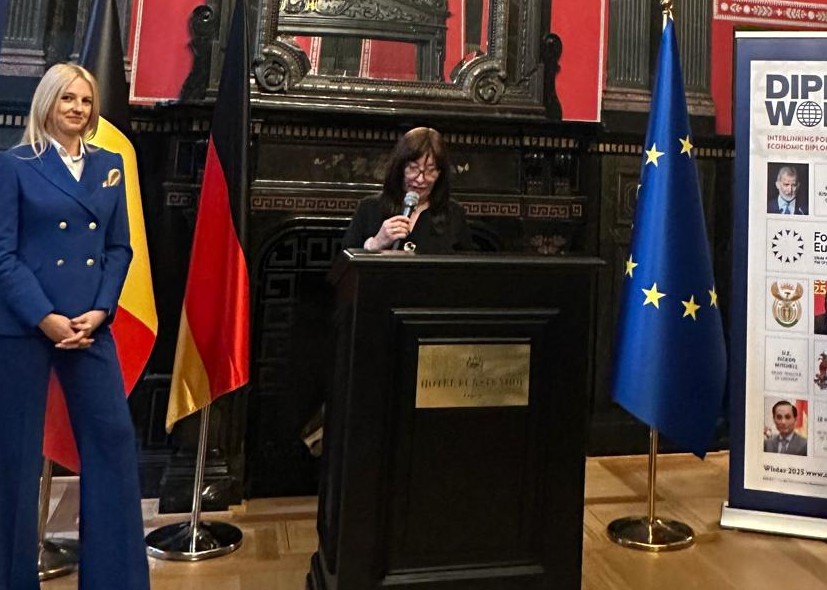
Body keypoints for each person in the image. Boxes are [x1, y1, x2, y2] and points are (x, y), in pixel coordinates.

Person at [0, 64, 149, 589]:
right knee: (15, 458)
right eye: (67, 98)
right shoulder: (14, 164)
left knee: (112, 441)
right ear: (47, 102)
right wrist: (45, 317)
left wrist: (102, 309)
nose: (78, 108)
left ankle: (117, 578)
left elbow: (119, 247)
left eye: (86, 100)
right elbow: (4, 255)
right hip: (25, 326)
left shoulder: (110, 165)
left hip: (90, 326)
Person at [342, 126, 475, 253]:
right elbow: (343, 268)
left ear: (440, 174)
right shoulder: (369, 208)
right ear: (400, 168)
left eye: (430, 170)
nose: (420, 179)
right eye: (413, 168)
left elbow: (467, 270)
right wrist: (374, 244)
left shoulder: (454, 213)